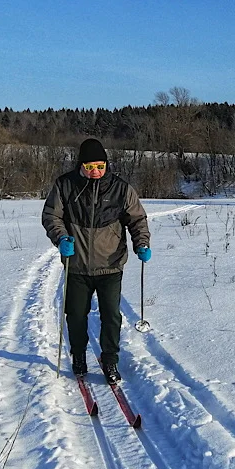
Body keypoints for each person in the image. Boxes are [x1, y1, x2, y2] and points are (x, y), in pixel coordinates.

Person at [42, 138, 151, 382]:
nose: (95, 171)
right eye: (90, 166)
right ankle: (79, 356)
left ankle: (110, 360)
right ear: (81, 165)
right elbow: (51, 216)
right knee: (76, 315)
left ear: (106, 164)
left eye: (100, 166)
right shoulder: (65, 185)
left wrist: (141, 243)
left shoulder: (121, 189)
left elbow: (137, 219)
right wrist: (61, 238)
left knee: (111, 316)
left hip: (111, 265)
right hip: (77, 265)